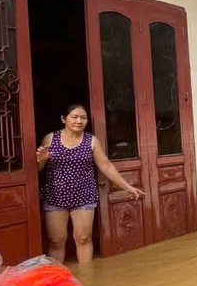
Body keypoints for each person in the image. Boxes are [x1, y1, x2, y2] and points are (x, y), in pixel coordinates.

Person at [37, 103, 144, 264]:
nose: (79, 121)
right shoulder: (50, 138)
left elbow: (106, 166)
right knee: (56, 240)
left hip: (84, 196)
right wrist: (41, 160)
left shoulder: (91, 141)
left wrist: (128, 187)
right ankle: (57, 281)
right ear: (63, 119)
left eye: (83, 117)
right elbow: (38, 170)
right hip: (55, 197)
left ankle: (87, 279)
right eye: (74, 117)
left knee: (83, 238)